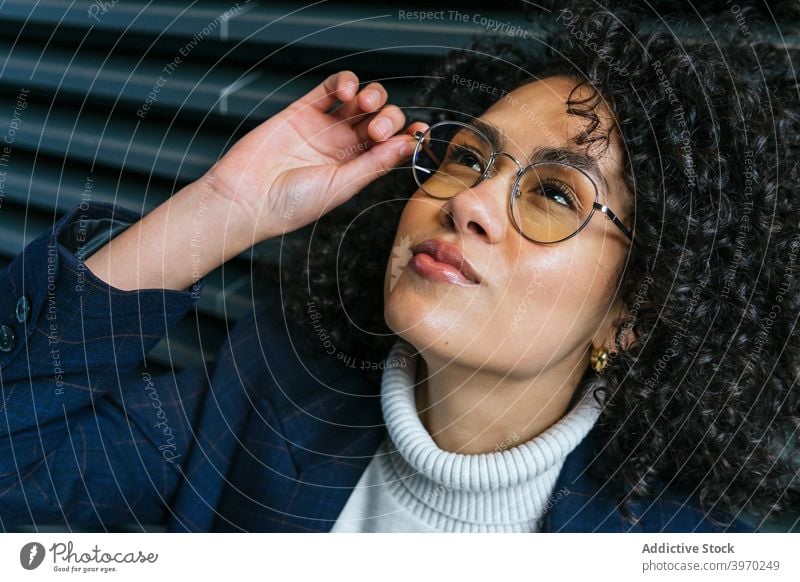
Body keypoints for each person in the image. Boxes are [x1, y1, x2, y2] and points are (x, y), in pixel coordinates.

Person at [0, 6, 797, 532]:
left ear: (638, 314)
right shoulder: (264, 391)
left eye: (554, 192)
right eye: (468, 158)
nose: (470, 203)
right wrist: (224, 208)